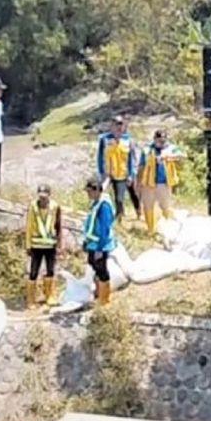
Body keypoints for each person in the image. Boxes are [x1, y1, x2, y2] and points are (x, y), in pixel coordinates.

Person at [138, 130, 184, 233]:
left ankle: (169, 229)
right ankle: (151, 229)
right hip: (148, 183)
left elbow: (182, 156)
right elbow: (141, 166)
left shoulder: (171, 148)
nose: (161, 143)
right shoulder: (147, 149)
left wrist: (169, 157)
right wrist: (139, 182)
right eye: (159, 141)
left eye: (163, 141)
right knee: (148, 206)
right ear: (154, 139)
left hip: (164, 183)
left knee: (166, 206)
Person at [25, 184, 62, 310]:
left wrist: (59, 244)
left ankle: (49, 295)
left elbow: (58, 226)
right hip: (36, 245)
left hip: (50, 245)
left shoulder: (55, 207)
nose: (42, 199)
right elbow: (29, 226)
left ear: (49, 195)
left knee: (50, 270)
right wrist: (28, 245)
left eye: (45, 196)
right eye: (40, 196)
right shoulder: (32, 207)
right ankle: (31, 299)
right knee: (33, 272)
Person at [96, 116, 140, 222]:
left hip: (124, 173)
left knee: (130, 194)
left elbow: (132, 158)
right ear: (112, 126)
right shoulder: (104, 139)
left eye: (121, 126)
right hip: (109, 173)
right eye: (116, 125)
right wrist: (102, 171)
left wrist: (131, 174)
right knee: (102, 193)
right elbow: (100, 156)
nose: (119, 128)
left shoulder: (128, 140)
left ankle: (138, 212)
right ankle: (116, 217)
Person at [83, 176, 117, 306]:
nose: (88, 194)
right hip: (93, 243)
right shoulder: (96, 203)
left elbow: (104, 229)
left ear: (96, 190)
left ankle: (104, 299)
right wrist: (86, 242)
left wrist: (99, 248)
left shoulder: (104, 206)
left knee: (101, 269)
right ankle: (98, 292)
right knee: (93, 264)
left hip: (101, 245)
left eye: (89, 192)